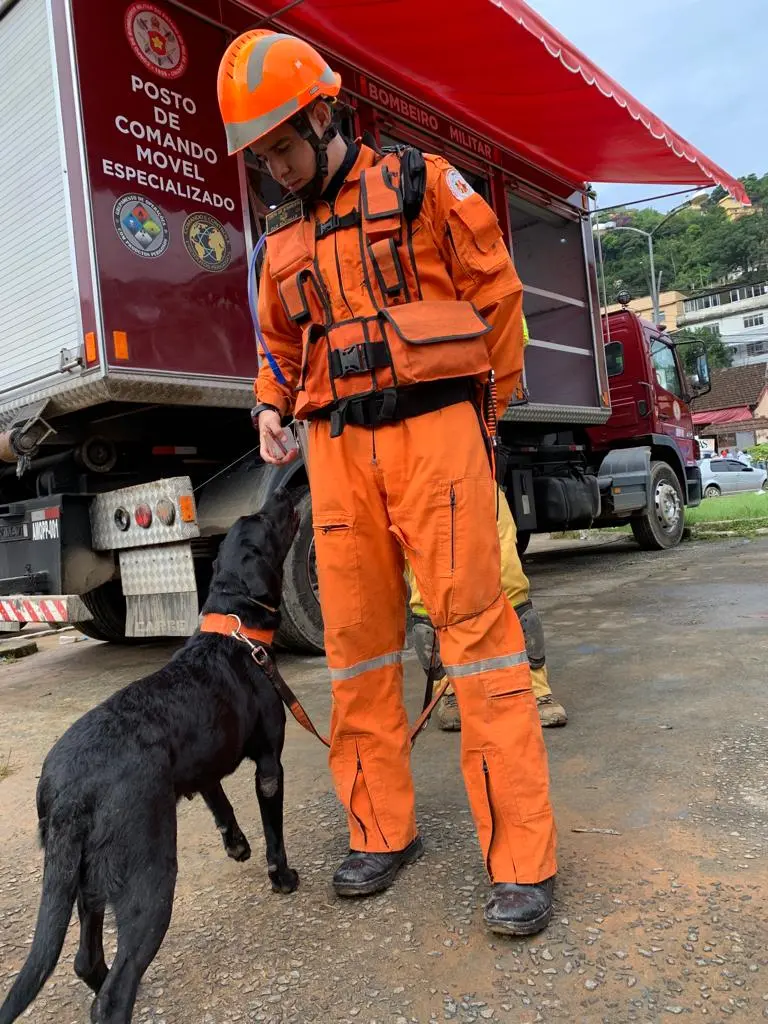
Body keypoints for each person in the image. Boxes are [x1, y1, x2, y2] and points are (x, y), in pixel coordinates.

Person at [217, 29, 557, 936]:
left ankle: (521, 861)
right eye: (261, 160)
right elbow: (280, 349)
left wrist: (487, 417)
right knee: (356, 650)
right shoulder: (281, 242)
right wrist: (269, 404)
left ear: (324, 115)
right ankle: (379, 829)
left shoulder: (421, 183)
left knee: (479, 645)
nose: (276, 171)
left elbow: (498, 299)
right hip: (334, 455)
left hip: (435, 436)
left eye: (283, 147)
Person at [406, 484, 567, 730]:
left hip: (477, 481)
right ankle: (449, 692)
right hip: (413, 489)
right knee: (427, 597)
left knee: (510, 582)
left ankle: (535, 688)